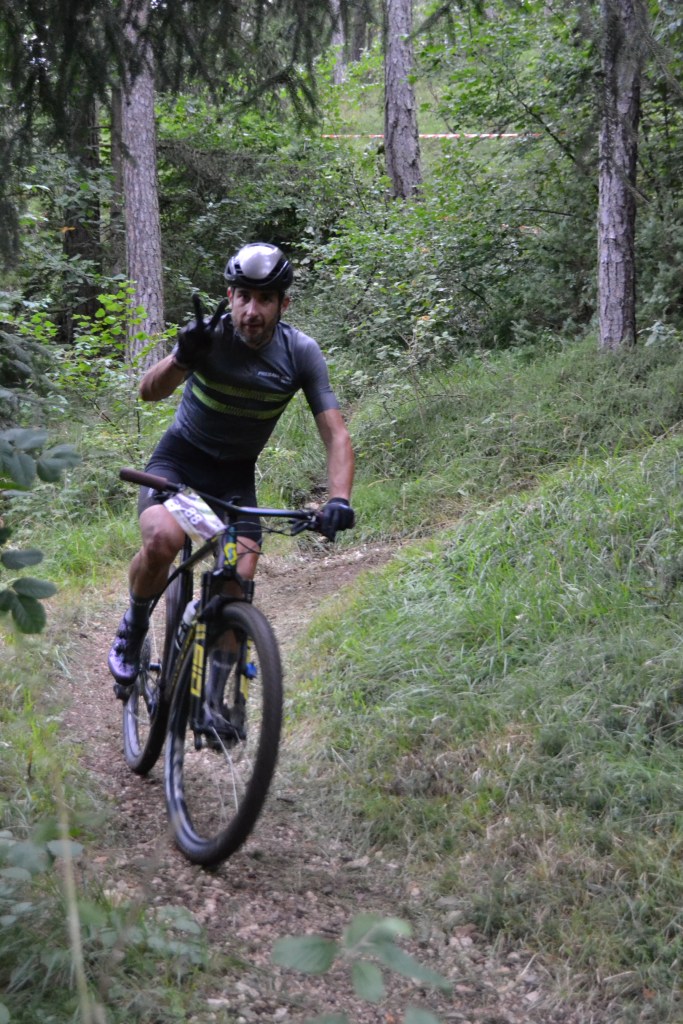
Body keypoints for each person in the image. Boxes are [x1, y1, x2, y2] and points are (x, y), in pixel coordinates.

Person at [108, 241, 355, 694]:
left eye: (265, 299)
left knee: (236, 582)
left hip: (234, 479)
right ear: (229, 296)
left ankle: (215, 700)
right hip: (178, 463)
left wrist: (339, 498)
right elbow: (148, 391)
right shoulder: (209, 336)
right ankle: (135, 624)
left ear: (284, 304)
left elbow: (335, 434)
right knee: (163, 540)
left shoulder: (300, 353)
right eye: (243, 297)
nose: (252, 311)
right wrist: (182, 358)